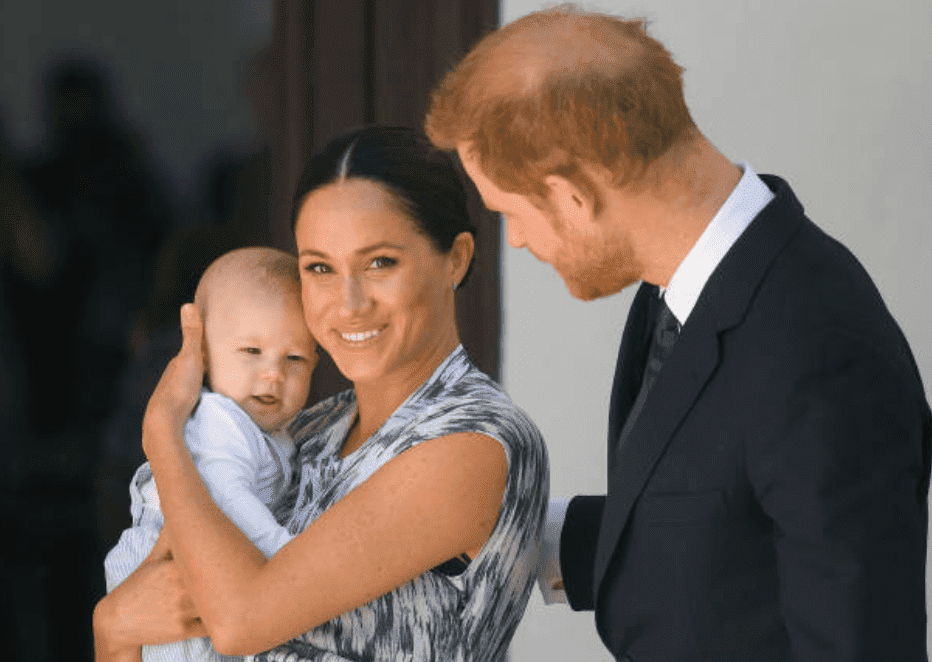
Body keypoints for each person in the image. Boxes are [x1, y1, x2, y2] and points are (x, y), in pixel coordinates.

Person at [424, 5, 932, 661]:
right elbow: (719, 525)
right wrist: (501, 528)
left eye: (509, 214)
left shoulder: (820, 353)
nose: (516, 240)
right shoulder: (685, 283)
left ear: (573, 194)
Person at [93, 125, 549, 662]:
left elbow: (239, 622)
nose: (348, 302)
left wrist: (162, 433)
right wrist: (113, 628)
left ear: (457, 258)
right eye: (320, 268)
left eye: (380, 262)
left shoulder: (473, 442)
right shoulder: (304, 429)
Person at [102, 246, 316, 662]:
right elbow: (228, 498)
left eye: (295, 358)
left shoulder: (270, 430)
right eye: (251, 352)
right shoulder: (220, 422)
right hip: (164, 571)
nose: (273, 373)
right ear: (203, 356)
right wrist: (288, 560)